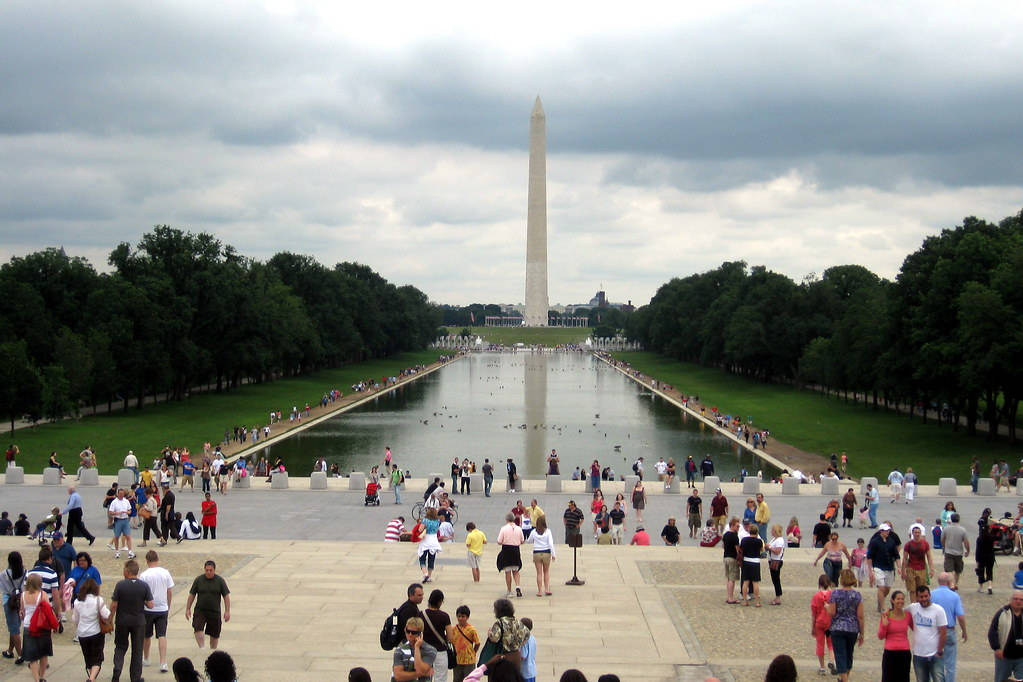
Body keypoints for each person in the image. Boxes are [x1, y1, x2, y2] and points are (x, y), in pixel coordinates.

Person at [110, 558, 155, 682]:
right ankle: (135, 677)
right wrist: (143, 601)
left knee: (120, 646)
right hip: (139, 622)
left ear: (127, 571)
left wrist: (110, 619)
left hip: (122, 621)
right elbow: (151, 604)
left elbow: (114, 605)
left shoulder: (120, 585)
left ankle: (117, 669)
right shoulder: (144, 585)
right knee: (137, 649)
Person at [826, 568, 865, 682]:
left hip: (838, 627)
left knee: (840, 654)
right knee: (849, 654)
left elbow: (832, 612)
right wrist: (862, 633)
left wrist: (827, 607)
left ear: (841, 580)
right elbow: (860, 616)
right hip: (852, 629)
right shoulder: (857, 595)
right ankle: (844, 678)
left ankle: (845, 679)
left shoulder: (835, 594)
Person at [140, 550, 174, 673]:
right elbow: (169, 591)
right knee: (162, 635)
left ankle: (146, 658)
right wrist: (168, 605)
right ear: (157, 559)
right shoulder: (165, 573)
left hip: (148, 609)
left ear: (147, 561)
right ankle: (163, 662)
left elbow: (142, 593)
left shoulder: (144, 575)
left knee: (146, 635)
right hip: (162, 608)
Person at [185, 560, 231, 649]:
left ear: (214, 570)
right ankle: (202, 647)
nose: (208, 572)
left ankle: (213, 650)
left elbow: (226, 596)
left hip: (214, 611)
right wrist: (188, 608)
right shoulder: (198, 580)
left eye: (210, 570)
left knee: (214, 634)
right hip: (200, 610)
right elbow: (192, 595)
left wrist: (227, 611)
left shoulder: (220, 581)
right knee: (197, 628)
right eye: (207, 570)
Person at [72, 577, 110, 682]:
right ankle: (92, 678)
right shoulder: (98, 600)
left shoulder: (77, 602)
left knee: (88, 658)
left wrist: (78, 627)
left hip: (82, 633)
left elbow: (75, 619)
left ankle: (91, 677)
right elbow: (106, 614)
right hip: (96, 632)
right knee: (97, 658)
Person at [907, 585, 947, 682]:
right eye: (921, 597)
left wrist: (939, 651)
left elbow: (943, 632)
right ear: (917, 597)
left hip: (935, 655)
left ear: (930, 595)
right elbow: (899, 612)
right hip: (918, 655)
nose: (924, 599)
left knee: (939, 679)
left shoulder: (938, 610)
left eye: (926, 596)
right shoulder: (913, 608)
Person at [930, 572, 966, 682]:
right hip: (949, 630)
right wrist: (964, 631)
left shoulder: (932, 594)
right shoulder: (954, 596)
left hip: (935, 631)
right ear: (949, 582)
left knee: (934, 661)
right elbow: (960, 616)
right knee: (950, 664)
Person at [21, 573, 56, 682]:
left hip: (28, 625)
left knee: (32, 656)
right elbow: (48, 611)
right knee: (43, 653)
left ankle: (36, 679)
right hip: (41, 626)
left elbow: (22, 611)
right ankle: (41, 677)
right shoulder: (42, 594)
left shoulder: (23, 595)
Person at [988, 590, 1023, 682]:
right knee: (1001, 679)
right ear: (1011, 600)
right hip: (1004, 656)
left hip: (1021, 657)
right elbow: (992, 632)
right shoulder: (1002, 613)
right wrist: (997, 648)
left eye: (1021, 600)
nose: (1018, 601)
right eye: (1016, 599)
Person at [877, 589, 912, 682]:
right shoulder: (886, 615)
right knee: (888, 678)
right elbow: (880, 636)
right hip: (890, 652)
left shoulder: (908, 615)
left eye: (902, 599)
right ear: (892, 600)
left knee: (904, 678)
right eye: (898, 599)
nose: (900, 601)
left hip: (904, 652)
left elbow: (915, 629)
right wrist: (884, 626)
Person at [867, 523, 902, 614]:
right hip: (878, 567)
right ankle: (883, 607)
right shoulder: (875, 542)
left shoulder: (891, 541)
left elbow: (896, 555)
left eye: (888, 530)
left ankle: (880, 601)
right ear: (881, 531)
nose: (888, 532)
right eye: (886, 530)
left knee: (887, 589)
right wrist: (870, 570)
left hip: (889, 567)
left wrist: (899, 567)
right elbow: (869, 556)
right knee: (881, 587)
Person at [483, 599, 528, 668]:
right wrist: (519, 644)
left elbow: (494, 639)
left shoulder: (499, 623)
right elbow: (527, 634)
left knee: (502, 677)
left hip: (504, 657)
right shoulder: (517, 622)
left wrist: (490, 633)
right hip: (516, 656)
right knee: (514, 678)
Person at [392, 615, 436, 682]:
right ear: (405, 629)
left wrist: (417, 648)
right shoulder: (399, 650)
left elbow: (420, 669)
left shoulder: (430, 650)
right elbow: (398, 676)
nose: (410, 634)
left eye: (413, 632)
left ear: (420, 634)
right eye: (408, 631)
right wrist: (419, 674)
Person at [422, 589, 452, 682]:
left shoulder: (421, 614)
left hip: (425, 650)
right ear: (440, 601)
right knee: (440, 678)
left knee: (425, 678)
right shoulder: (444, 616)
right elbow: (450, 637)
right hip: (440, 651)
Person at [1, 550, 26, 664]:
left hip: (9, 601)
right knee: (15, 626)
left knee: (14, 629)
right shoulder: (25, 572)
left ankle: (21, 654)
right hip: (21, 600)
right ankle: (10, 651)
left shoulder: (4, 574)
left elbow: (4, 589)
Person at [810, 574, 835, 676]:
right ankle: (831, 661)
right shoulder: (833, 594)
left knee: (820, 645)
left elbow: (814, 614)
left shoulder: (816, 597)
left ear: (819, 584)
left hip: (819, 623)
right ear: (829, 584)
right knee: (831, 645)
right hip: (830, 623)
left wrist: (812, 627)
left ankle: (822, 667)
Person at [901, 524, 934, 601]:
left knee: (921, 589)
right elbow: (905, 558)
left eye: (918, 532)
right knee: (912, 590)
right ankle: (913, 605)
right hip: (911, 568)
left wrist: (931, 569)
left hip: (922, 568)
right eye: (915, 532)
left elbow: (929, 556)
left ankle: (921, 604)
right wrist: (903, 571)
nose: (917, 534)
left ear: (921, 533)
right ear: (912, 533)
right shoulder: (908, 544)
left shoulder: (925, 544)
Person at [496, 513, 524, 598]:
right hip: (516, 550)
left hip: (506, 550)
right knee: (516, 570)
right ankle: (518, 586)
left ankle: (509, 591)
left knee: (508, 571)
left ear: (507, 520)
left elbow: (499, 541)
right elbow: (522, 540)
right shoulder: (519, 529)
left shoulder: (504, 529)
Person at [527, 515, 555, 596]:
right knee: (546, 572)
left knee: (539, 573)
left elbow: (529, 541)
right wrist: (553, 554)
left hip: (537, 553)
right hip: (546, 552)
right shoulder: (548, 531)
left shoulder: (533, 532)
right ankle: (546, 589)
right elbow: (551, 544)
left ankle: (539, 591)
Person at [940, 513, 970, 589]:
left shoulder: (946, 528)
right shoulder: (962, 530)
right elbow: (966, 542)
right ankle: (955, 583)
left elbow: (942, 539)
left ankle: (951, 584)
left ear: (951, 519)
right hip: (959, 552)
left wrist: (944, 546)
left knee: (949, 570)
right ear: (959, 519)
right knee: (957, 570)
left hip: (949, 552)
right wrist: (967, 550)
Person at [450, 604, 480, 682]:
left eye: (463, 616)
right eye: (459, 616)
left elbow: (477, 643)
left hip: (469, 661)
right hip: (457, 660)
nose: (460, 618)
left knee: (469, 679)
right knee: (457, 679)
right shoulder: (453, 629)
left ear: (467, 617)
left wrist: (473, 652)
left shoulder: (472, 630)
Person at [738, 525, 763, 607]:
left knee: (745, 582)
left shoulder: (744, 540)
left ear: (749, 531)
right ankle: (757, 602)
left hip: (746, 561)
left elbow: (741, 549)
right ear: (756, 532)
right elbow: (761, 550)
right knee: (755, 583)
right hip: (755, 562)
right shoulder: (759, 541)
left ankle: (745, 601)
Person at [418, 508, 443, 583]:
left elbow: (420, 530)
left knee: (422, 559)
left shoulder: (425, 520)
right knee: (431, 559)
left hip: (426, 540)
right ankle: (429, 576)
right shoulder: (437, 521)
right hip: (434, 540)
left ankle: (425, 574)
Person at [722, 517, 741, 604]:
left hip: (725, 557)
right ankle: (730, 598)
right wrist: (740, 559)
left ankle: (729, 596)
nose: (738, 528)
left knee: (729, 578)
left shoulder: (725, 535)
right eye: (737, 526)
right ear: (732, 525)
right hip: (732, 558)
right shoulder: (734, 536)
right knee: (732, 579)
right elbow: (738, 549)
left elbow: (723, 545)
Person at [767, 524, 785, 606]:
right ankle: (777, 596)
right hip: (772, 560)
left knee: (776, 579)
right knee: (774, 579)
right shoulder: (775, 539)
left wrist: (769, 547)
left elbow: (777, 551)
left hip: (776, 561)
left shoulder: (779, 540)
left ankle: (778, 597)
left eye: (772, 530)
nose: (771, 531)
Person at [977, 520, 996, 595]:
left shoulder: (979, 538)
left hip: (981, 556)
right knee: (989, 571)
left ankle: (981, 587)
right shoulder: (991, 537)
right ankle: (990, 586)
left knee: (981, 572)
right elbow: (997, 538)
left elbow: (977, 550)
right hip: (990, 556)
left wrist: (977, 559)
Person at [519, 617, 536, 682]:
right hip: (532, 670)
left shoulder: (524, 641)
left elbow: (523, 656)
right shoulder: (532, 638)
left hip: (525, 672)